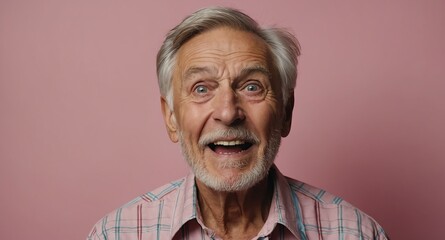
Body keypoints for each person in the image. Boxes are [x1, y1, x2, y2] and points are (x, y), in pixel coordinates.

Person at [87, 7, 389, 240]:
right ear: (171, 118)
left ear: (286, 112)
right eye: (202, 89)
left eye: (252, 87)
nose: (228, 113)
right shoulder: (115, 234)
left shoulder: (356, 233)